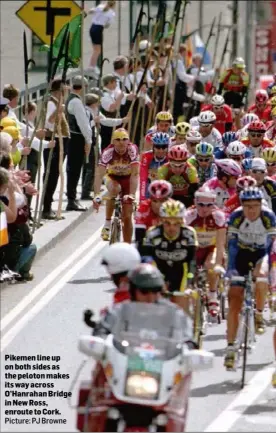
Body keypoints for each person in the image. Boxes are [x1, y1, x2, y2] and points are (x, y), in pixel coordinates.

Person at [224, 187, 276, 369]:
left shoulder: (268, 217)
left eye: (255, 206)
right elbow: (231, 246)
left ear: (261, 205)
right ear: (242, 206)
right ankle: (230, 347)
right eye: (248, 207)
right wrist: (230, 269)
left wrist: (266, 270)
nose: (251, 210)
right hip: (241, 254)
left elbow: (270, 247)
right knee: (234, 298)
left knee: (261, 276)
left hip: (262, 253)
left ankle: (260, 313)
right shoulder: (236, 217)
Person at [92, 263, 194, 348]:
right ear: (133, 291)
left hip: (163, 366)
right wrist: (100, 337)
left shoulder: (174, 313)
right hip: (125, 362)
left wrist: (190, 345)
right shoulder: (120, 310)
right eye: (144, 291)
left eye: (155, 291)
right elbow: (103, 328)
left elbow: (188, 337)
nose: (150, 297)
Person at [139, 199, 197, 310]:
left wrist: (190, 284)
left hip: (181, 273)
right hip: (159, 271)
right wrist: (156, 280)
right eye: (167, 223)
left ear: (182, 222)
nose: (172, 228)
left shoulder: (189, 234)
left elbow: (192, 261)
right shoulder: (152, 233)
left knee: (181, 305)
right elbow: (145, 258)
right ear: (161, 220)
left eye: (176, 224)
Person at [185, 187, 227, 317]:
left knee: (211, 265)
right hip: (194, 249)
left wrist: (219, 264)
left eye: (209, 205)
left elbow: (220, 244)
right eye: (201, 205)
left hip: (211, 249)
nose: (205, 209)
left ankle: (213, 297)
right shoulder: (188, 216)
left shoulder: (219, 216)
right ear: (194, 202)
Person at [93, 128, 139, 243]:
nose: (121, 142)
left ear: (128, 141)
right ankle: (107, 224)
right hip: (113, 177)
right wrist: (97, 195)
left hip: (128, 179)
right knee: (114, 189)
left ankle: (127, 245)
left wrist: (132, 195)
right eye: (117, 140)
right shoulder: (108, 152)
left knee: (127, 216)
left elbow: (134, 174)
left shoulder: (132, 150)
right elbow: (99, 174)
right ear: (113, 142)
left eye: (124, 139)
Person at [42, 79, 70, 219]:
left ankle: (49, 206)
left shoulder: (57, 103)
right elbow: (49, 122)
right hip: (53, 140)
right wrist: (58, 110)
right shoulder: (51, 103)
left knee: (55, 174)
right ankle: (46, 208)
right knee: (51, 175)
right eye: (64, 91)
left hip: (60, 139)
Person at [65, 76, 92, 211]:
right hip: (77, 138)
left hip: (73, 138)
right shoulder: (76, 102)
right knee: (75, 169)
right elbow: (83, 123)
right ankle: (71, 199)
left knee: (73, 169)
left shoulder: (70, 99)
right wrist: (88, 139)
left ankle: (72, 197)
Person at [135, 179, 173, 249]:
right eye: (154, 201)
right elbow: (139, 237)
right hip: (150, 244)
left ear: (168, 200)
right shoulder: (144, 207)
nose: (158, 205)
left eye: (162, 201)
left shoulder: (175, 207)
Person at [87, 0, 116, 77]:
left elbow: (90, 11)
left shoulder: (100, 6)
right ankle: (91, 66)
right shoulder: (111, 13)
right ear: (113, 5)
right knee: (97, 50)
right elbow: (107, 25)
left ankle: (92, 65)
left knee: (95, 49)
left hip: (92, 27)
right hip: (98, 29)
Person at [139, 132, 169, 201]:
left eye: (164, 147)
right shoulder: (146, 156)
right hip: (150, 187)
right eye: (158, 147)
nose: (161, 150)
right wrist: (142, 199)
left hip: (166, 188)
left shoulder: (170, 157)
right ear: (153, 147)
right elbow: (143, 179)